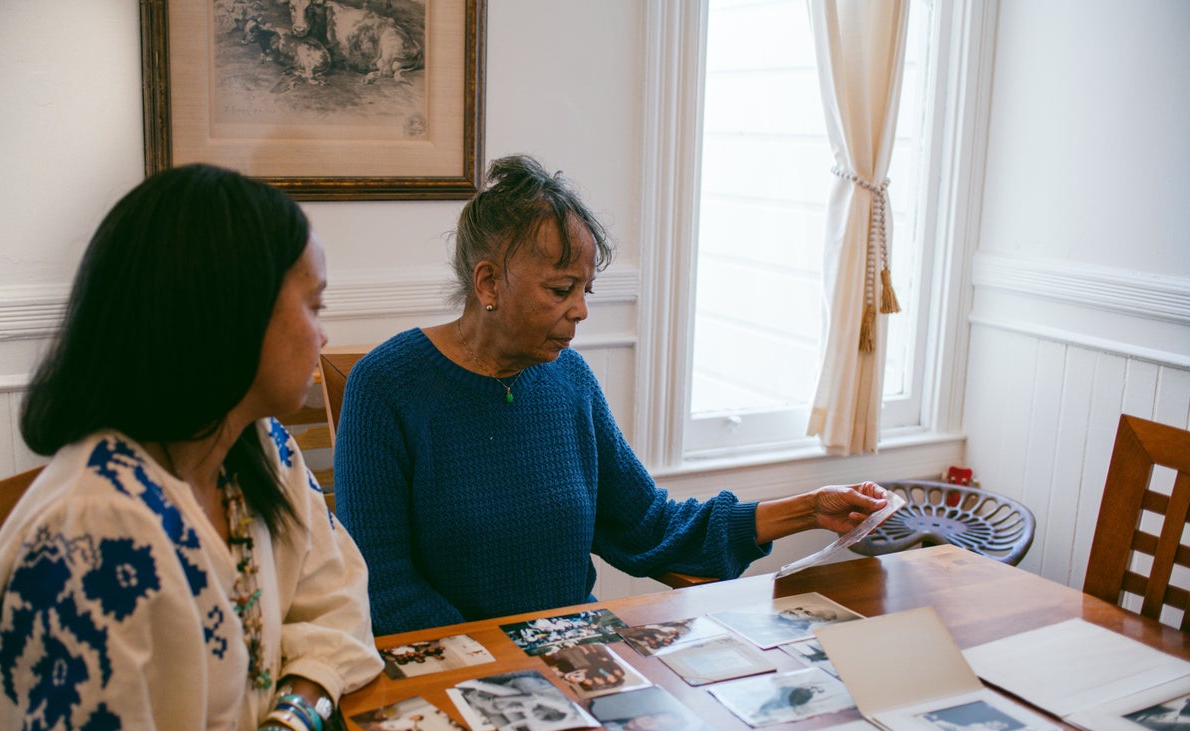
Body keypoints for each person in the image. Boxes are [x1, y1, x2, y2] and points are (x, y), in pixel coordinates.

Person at [0, 165, 497, 731]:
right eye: (314, 305)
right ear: (228, 313)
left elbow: (336, 601)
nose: (324, 336)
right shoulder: (86, 537)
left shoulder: (254, 449)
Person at [333, 154, 890, 635]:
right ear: (487, 285)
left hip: (575, 658)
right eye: (561, 290)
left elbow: (647, 525)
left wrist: (811, 510)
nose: (580, 310)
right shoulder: (387, 386)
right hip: (460, 676)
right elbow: (386, 588)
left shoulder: (568, 379)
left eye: (585, 289)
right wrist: (504, 671)